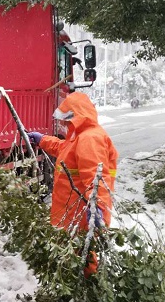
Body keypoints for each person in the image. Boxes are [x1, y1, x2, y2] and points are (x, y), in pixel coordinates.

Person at [27, 92, 118, 232]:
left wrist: (97, 206)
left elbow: (96, 176)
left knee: (80, 252)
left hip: (78, 216)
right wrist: (43, 140)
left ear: (77, 116)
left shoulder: (89, 139)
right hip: (71, 213)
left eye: (67, 119)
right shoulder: (81, 136)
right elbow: (64, 149)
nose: (63, 123)